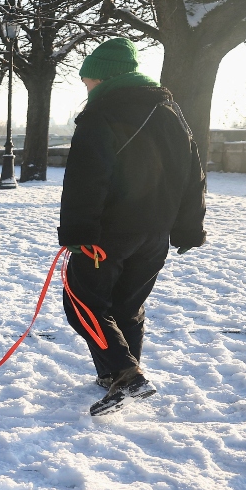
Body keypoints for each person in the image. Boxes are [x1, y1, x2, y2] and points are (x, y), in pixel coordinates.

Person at [59, 37, 206, 414]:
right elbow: (193, 173)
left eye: (88, 80)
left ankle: (126, 374)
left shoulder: (102, 113)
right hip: (155, 234)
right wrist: (188, 227)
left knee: (83, 301)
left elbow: (86, 178)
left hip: (109, 235)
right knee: (127, 304)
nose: (86, 87)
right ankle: (118, 375)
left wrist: (78, 234)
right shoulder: (171, 113)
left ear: (105, 78)